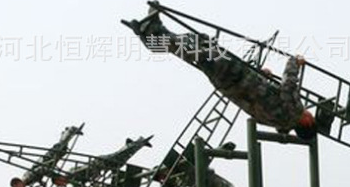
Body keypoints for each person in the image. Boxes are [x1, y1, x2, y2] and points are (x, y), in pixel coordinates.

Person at [127, 8, 317, 140]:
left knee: (199, 49)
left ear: (307, 123)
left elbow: (288, 86)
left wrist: (294, 62)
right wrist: (262, 77)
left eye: (312, 117)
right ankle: (154, 30)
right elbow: (261, 98)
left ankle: (151, 37)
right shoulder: (276, 122)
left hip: (236, 74)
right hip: (228, 84)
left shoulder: (294, 112)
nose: (310, 112)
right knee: (199, 45)